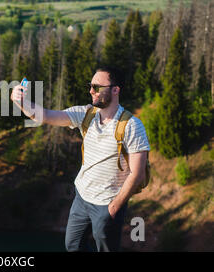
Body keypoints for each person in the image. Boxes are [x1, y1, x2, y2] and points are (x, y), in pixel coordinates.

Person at [10, 66, 150, 252]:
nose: (91, 91)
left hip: (107, 203)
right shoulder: (85, 114)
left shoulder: (132, 125)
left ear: (115, 90)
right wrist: (21, 102)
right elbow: (46, 116)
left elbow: (138, 173)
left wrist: (114, 207)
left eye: (97, 87)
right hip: (82, 198)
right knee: (73, 246)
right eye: (90, 85)